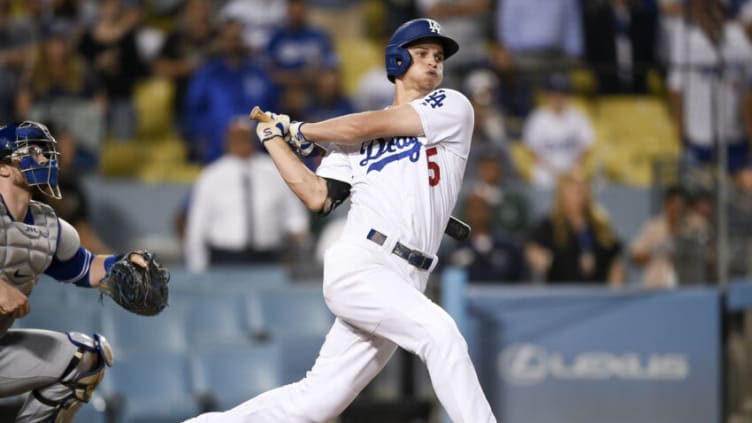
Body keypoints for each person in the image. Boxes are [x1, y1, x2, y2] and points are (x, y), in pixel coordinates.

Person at [184, 18, 497, 423]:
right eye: (422, 55)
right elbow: (317, 195)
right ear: (398, 60)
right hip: (363, 264)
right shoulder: (352, 141)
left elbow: (364, 125)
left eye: (438, 57)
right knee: (441, 335)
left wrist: (300, 129)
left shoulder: (452, 105)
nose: (434, 63)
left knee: (314, 404)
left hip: (409, 277)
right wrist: (275, 141)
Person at [0, 120, 166, 422]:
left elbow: (86, 267)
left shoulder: (49, 228)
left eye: (46, 153)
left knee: (86, 357)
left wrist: (123, 263)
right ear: (3, 167)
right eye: (33, 152)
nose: (44, 159)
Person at [183, 117, 309, 272]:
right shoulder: (211, 176)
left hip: (269, 257)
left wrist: (297, 239)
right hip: (224, 258)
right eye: (236, 137)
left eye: (245, 137)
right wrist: (197, 267)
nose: (241, 142)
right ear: (226, 140)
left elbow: (295, 215)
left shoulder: (275, 170)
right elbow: (197, 226)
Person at [525, 169, 624, 285]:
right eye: (573, 190)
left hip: (597, 293)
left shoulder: (601, 225)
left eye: (582, 189)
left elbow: (614, 260)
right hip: (562, 293)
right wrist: (539, 259)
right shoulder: (550, 225)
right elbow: (532, 249)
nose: (578, 194)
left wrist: (615, 292)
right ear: (562, 195)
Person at [522, 72, 595, 189]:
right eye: (554, 93)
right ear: (547, 94)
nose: (558, 97)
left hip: (572, 177)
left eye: (562, 93)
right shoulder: (537, 118)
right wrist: (554, 173)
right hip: (544, 179)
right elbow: (532, 151)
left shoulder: (578, 117)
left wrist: (574, 168)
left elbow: (587, 146)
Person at [629, 185, 686, 289]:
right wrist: (657, 251)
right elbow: (635, 256)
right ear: (666, 205)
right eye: (674, 206)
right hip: (655, 286)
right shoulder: (653, 227)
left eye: (680, 208)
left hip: (685, 288)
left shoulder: (691, 228)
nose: (676, 212)